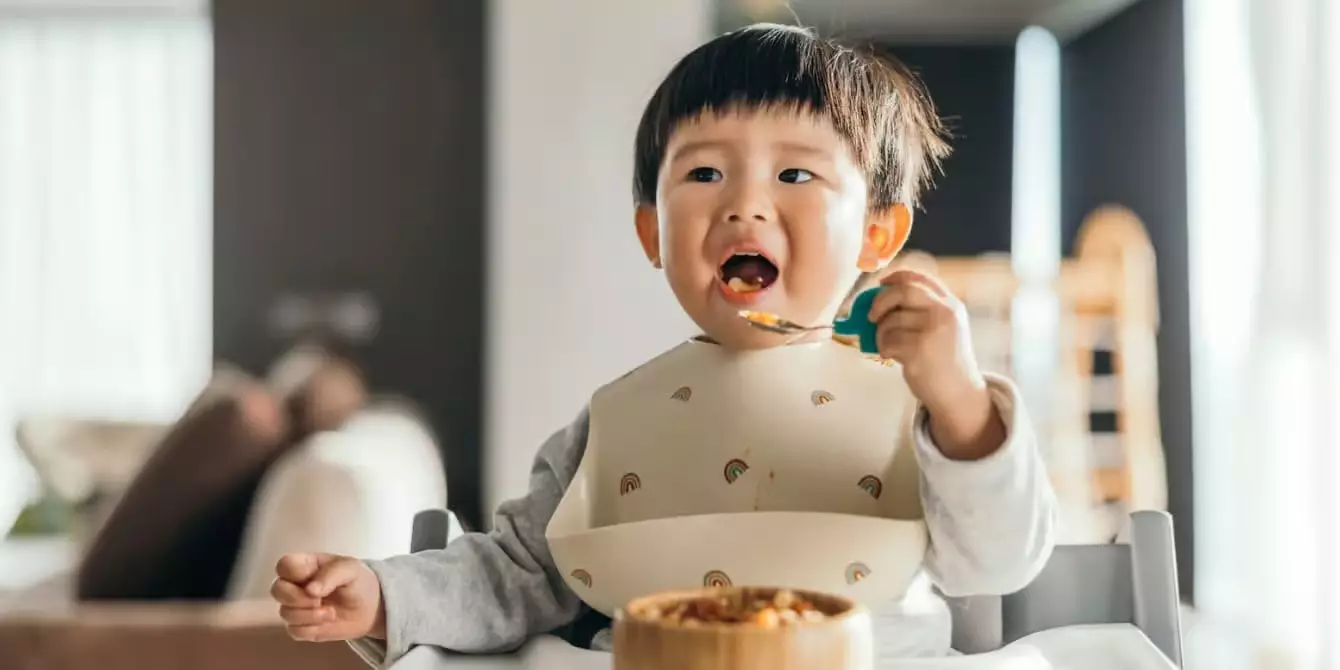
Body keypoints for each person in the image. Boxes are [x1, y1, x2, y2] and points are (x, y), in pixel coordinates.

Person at [269, 23, 1056, 666]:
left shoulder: (919, 405)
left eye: (796, 176)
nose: (746, 204)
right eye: (706, 172)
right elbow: (519, 574)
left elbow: (997, 564)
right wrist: (385, 596)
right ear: (653, 231)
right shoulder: (616, 423)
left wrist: (958, 399)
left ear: (877, 232)